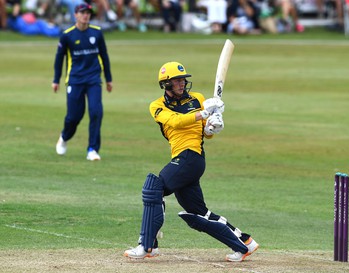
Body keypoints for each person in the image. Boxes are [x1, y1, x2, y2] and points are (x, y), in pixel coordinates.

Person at [123, 61, 259, 262]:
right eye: (177, 80)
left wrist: (213, 126)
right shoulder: (157, 106)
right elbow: (176, 121)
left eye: (183, 80)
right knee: (198, 213)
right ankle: (244, 242)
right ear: (166, 84)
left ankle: (147, 245)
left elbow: (206, 132)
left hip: (191, 157)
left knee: (154, 188)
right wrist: (204, 113)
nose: (182, 83)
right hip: (184, 160)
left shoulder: (198, 98)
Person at [52, 3, 113, 161]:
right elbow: (59, 59)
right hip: (75, 80)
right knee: (74, 117)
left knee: (96, 112)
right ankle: (64, 137)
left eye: (88, 13)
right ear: (76, 15)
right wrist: (56, 80)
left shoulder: (97, 33)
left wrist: (108, 78)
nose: (86, 15)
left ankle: (92, 149)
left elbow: (104, 56)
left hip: (93, 79)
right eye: (83, 13)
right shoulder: (67, 35)